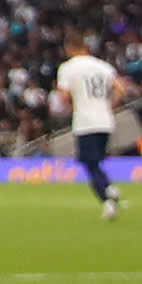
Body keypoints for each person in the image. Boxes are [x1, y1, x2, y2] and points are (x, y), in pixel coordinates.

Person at [52, 40, 126, 219]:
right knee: (96, 161)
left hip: (85, 122)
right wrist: (108, 105)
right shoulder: (102, 66)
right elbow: (121, 88)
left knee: (89, 163)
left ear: (69, 48)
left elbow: (63, 96)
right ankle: (108, 188)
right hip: (105, 120)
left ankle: (108, 196)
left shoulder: (68, 68)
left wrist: (72, 104)